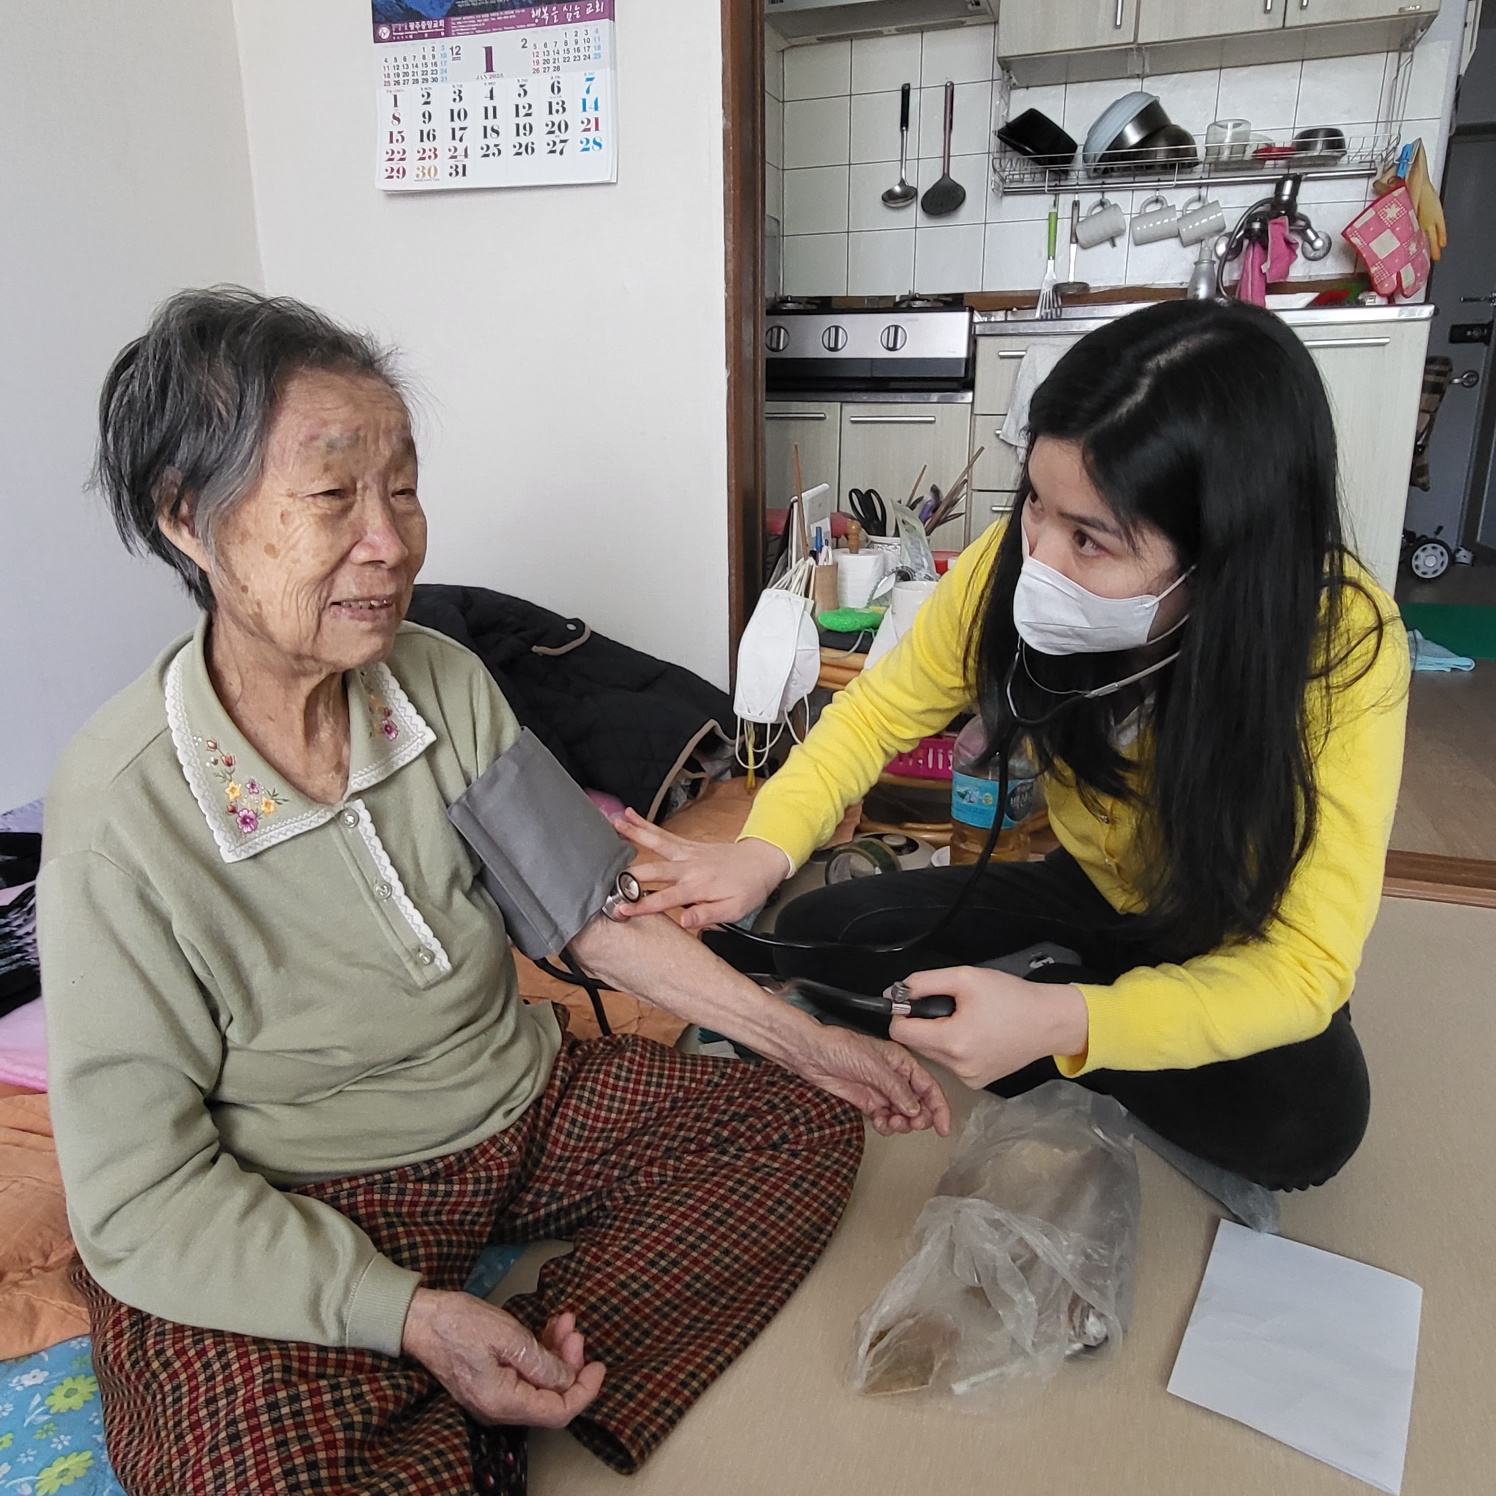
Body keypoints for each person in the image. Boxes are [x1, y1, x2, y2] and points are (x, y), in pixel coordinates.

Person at [37, 288, 949, 1496]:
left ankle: (514, 1366)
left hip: (517, 1103)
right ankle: (449, 1372)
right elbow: (140, 1197)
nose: (389, 541)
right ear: (184, 518)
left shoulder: (442, 680)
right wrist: (403, 1311)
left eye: (403, 488)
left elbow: (586, 908)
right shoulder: (119, 814)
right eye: (332, 495)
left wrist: (799, 1038)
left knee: (799, 1121)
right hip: (298, 1190)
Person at [616, 299, 1410, 1194]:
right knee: (811, 936)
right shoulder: (1006, 566)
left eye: (1090, 539)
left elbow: (1304, 967)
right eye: (1035, 501)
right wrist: (763, 849)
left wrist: (1067, 1022)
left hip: (1226, 929)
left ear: (1224, 552)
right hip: (1090, 892)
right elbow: (875, 715)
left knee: (1310, 1127)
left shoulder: (1340, 649)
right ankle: (1063, 996)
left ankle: (1061, 1005)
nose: (1038, 558)